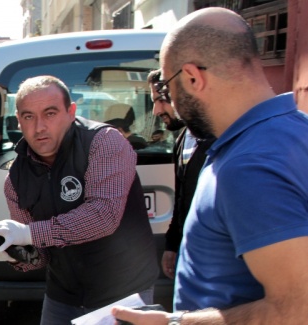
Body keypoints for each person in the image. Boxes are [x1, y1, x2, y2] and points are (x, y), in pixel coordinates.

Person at [112, 7, 308, 325]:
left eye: (165, 87)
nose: (169, 100)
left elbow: (297, 311)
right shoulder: (293, 131)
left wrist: (175, 323)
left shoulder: (247, 166)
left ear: (192, 77)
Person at [0, 75, 158, 324]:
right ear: (18, 120)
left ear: (71, 112)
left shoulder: (104, 141)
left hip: (122, 291)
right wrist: (12, 252)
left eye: (50, 113)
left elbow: (103, 216)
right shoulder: (16, 178)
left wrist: (28, 233)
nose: (39, 127)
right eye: (28, 116)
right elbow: (40, 255)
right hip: (63, 296)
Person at [147, 69, 215, 282]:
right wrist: (172, 245)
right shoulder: (182, 140)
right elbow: (181, 199)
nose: (156, 111)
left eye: (161, 101)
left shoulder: (217, 139)